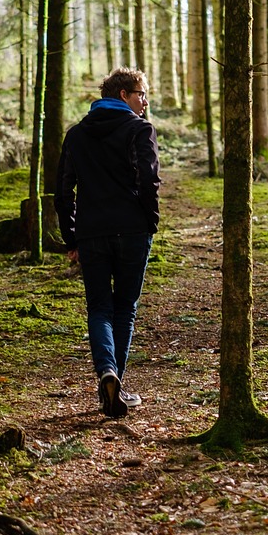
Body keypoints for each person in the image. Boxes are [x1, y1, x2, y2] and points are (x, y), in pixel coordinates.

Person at [55, 68, 161, 419]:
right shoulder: (139, 129)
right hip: (132, 232)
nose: (145, 101)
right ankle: (115, 382)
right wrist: (150, 223)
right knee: (124, 309)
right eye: (140, 93)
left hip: (92, 234)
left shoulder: (76, 135)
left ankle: (107, 374)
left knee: (99, 307)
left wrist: (72, 237)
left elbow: (62, 193)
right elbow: (149, 181)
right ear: (122, 95)